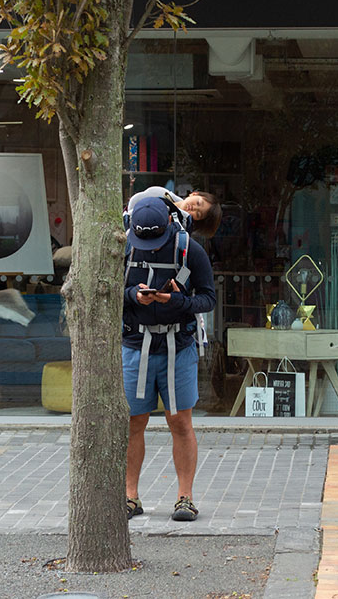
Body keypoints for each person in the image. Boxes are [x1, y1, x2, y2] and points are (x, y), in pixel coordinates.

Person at [122, 197, 217, 522]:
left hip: (178, 345)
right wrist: (132, 295)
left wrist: (178, 300)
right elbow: (106, 291)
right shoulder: (123, 248)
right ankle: (130, 496)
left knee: (180, 422)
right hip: (136, 345)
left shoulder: (189, 248)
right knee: (134, 422)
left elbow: (208, 299)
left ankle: (185, 497)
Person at [127, 185, 222, 238]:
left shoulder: (179, 232)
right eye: (198, 203)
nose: (194, 208)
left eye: (198, 214)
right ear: (194, 194)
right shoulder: (160, 193)